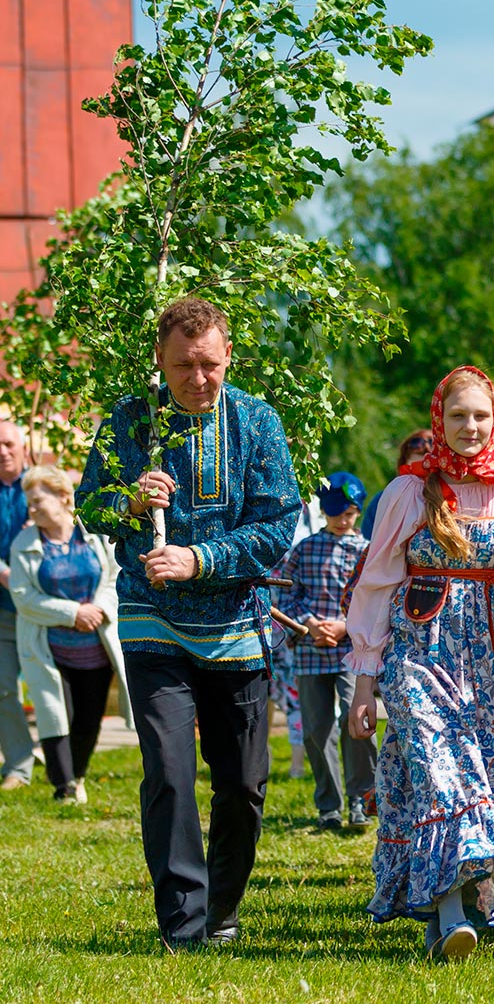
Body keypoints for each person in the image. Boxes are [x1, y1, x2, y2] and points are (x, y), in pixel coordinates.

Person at [76, 297, 301, 950]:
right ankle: (185, 922)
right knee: (169, 771)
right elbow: (91, 503)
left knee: (243, 783)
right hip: (154, 619)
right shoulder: (130, 421)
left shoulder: (258, 422)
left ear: (228, 354)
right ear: (160, 360)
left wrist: (201, 557)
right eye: (183, 365)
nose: (198, 378)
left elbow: (277, 525)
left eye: (209, 364)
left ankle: (223, 907)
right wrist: (128, 498)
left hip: (236, 619)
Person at [345, 366, 494, 961]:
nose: (471, 426)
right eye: (459, 416)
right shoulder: (410, 492)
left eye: (482, 416)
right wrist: (364, 681)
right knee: (439, 766)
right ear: (440, 419)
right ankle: (457, 912)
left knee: (479, 775)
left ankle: (444, 920)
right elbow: (376, 584)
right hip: (420, 646)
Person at [9, 464, 132, 803]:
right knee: (54, 712)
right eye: (29, 503)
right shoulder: (25, 543)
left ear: (64, 497)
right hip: (50, 648)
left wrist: (99, 609)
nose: (31, 510)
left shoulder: (93, 534)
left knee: (89, 718)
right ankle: (63, 787)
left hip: (96, 645)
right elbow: (24, 596)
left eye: (37, 502)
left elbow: (114, 576)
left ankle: (77, 776)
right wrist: (73, 613)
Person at [278, 472, 374, 830]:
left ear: (357, 511)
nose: (341, 519)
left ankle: (362, 798)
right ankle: (328, 805)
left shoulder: (367, 552)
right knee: (317, 728)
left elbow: (374, 601)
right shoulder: (304, 549)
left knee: (357, 719)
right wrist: (308, 625)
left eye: (348, 513)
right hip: (310, 650)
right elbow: (285, 595)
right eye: (334, 512)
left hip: (351, 651)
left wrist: (344, 626)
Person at [0, 419, 34, 791]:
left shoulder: (43, 487)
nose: (2, 450)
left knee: (58, 689)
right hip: (3, 607)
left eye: (9, 443)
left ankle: (67, 766)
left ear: (22, 447)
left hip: (49, 608)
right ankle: (19, 766)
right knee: (5, 688)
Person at [361, 429, 431, 539]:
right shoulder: (386, 498)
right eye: (413, 468)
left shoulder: (449, 499)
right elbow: (369, 538)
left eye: (425, 468)